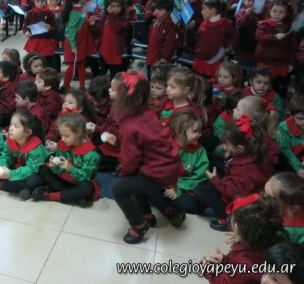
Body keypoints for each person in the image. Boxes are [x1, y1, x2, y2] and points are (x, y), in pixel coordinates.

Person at [110, 72, 182, 244]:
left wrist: (124, 174)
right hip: (170, 165)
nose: (111, 94)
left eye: (115, 92)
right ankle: (149, 215)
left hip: (158, 171)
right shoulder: (148, 113)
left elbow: (130, 159)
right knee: (135, 181)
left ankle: (138, 225)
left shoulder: (130, 125)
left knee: (118, 189)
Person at [199, 197, 286, 284]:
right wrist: (225, 260)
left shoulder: (243, 267)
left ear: (237, 228)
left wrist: (208, 271)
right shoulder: (271, 242)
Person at [32, 112, 100, 206]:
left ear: (79, 133)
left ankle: (50, 196)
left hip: (79, 181)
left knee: (87, 187)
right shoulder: (63, 144)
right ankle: (72, 195)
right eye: (61, 135)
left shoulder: (91, 154)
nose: (63, 139)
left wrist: (70, 168)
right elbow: (59, 169)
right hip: (65, 180)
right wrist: (54, 167)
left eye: (66, 136)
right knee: (44, 169)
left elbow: (86, 176)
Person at [0, 109, 48, 200]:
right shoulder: (11, 140)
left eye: (16, 126)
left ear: (27, 132)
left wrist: (11, 174)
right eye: (11, 124)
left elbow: (32, 169)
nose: (11, 128)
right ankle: (25, 190)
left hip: (34, 172)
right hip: (19, 169)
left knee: (33, 181)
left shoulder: (35, 148)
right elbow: (6, 156)